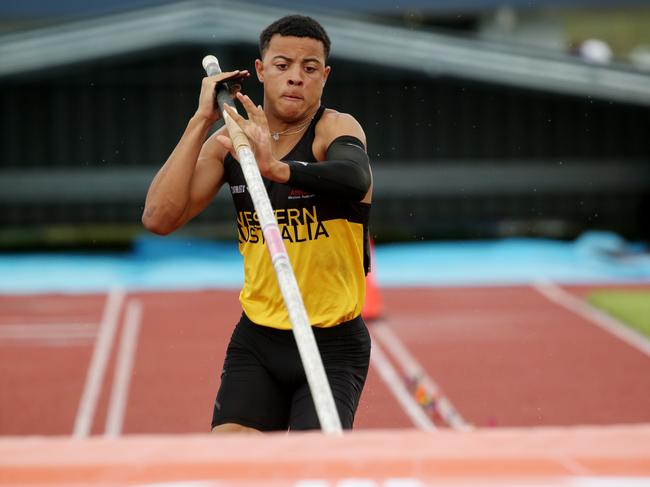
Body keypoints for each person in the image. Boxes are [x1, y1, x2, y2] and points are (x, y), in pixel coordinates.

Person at [142, 15, 373, 432]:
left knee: (313, 472)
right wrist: (201, 122)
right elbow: (158, 218)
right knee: (234, 469)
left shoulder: (334, 129)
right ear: (262, 71)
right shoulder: (231, 143)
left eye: (309, 68)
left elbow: (356, 179)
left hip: (332, 345)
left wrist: (278, 168)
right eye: (283, 65)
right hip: (259, 340)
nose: (296, 78)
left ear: (325, 76)